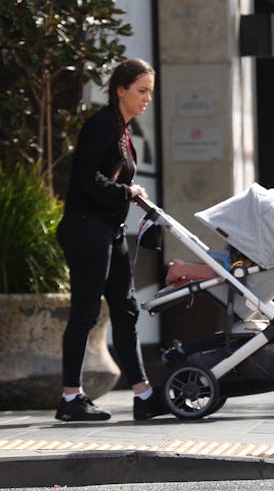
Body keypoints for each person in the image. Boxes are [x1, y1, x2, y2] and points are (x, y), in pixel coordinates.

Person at [55, 58, 168, 422]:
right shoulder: (102, 126)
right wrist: (127, 191)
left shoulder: (124, 129)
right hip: (87, 229)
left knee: (127, 310)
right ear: (120, 90)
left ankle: (143, 394)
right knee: (86, 311)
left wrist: (128, 193)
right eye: (141, 90)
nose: (147, 97)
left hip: (110, 230)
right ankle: (71, 398)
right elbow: (86, 178)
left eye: (150, 91)